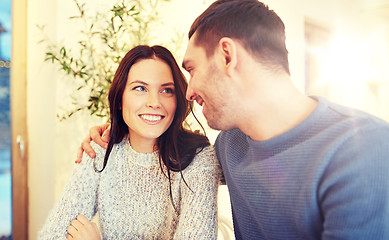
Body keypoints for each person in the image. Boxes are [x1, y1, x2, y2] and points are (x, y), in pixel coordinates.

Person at [79, 0, 389, 239]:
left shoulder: (364, 151)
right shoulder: (229, 145)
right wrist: (113, 134)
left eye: (192, 69)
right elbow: (173, 160)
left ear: (227, 56)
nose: (189, 93)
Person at [39, 45, 221, 239]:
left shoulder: (198, 158)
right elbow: (53, 234)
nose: (154, 102)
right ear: (120, 99)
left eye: (167, 90)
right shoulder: (100, 151)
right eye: (140, 88)